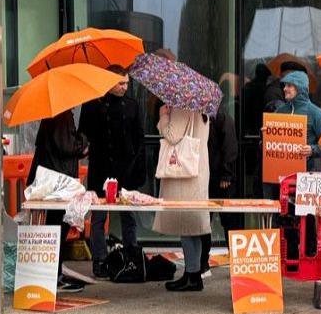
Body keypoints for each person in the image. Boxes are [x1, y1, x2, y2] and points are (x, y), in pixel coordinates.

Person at [78, 66, 145, 280]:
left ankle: (131, 256)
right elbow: (84, 133)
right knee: (98, 215)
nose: (125, 87)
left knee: (128, 215)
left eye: (127, 83)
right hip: (101, 167)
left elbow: (139, 137)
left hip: (125, 168)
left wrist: (134, 165)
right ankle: (99, 260)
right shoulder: (94, 104)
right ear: (109, 82)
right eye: (121, 83)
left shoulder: (132, 106)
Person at [28, 109, 89, 293]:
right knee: (57, 228)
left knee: (55, 227)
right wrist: (83, 139)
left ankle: (53, 274)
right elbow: (66, 146)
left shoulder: (53, 115)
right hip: (58, 182)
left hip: (53, 180)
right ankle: (53, 276)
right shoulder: (62, 116)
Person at [154, 105, 211, 292]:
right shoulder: (203, 111)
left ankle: (192, 275)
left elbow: (172, 135)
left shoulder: (181, 108)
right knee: (193, 226)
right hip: (198, 170)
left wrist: (163, 117)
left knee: (186, 224)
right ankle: (193, 273)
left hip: (184, 174)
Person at [275, 70, 321, 257]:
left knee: (308, 215)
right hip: (285, 176)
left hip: (309, 175)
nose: (285, 89)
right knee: (286, 215)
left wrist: (313, 149)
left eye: (289, 85)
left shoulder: (316, 113)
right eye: (284, 85)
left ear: (300, 88)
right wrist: (267, 134)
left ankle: (309, 252)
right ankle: (289, 254)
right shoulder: (280, 111)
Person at [203, 108, 240, 273]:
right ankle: (203, 262)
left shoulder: (222, 118)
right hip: (206, 177)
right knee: (204, 222)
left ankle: (235, 262)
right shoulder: (202, 118)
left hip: (220, 178)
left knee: (228, 220)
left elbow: (230, 146)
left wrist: (227, 174)